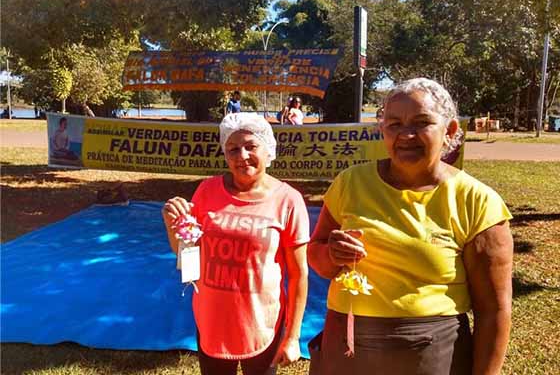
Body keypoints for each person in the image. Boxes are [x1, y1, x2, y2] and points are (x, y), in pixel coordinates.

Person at [307, 78, 513, 375]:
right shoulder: (351, 183)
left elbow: (494, 311)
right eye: (394, 124)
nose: (406, 134)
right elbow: (317, 257)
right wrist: (330, 255)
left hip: (432, 354)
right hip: (346, 348)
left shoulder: (477, 202)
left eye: (421, 122)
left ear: (450, 130)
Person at [162, 112, 310, 375]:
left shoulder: (288, 200)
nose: (241, 156)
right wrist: (172, 225)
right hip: (212, 323)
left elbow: (299, 274)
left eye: (251, 146)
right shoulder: (207, 191)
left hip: (261, 326)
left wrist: (293, 336)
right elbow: (189, 261)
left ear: (268, 150)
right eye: (233, 149)